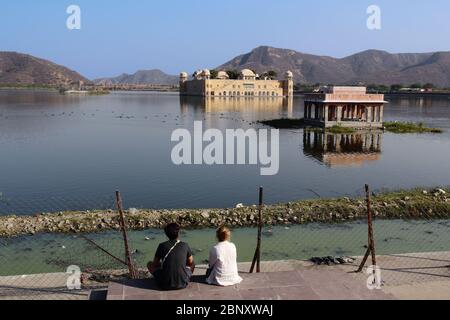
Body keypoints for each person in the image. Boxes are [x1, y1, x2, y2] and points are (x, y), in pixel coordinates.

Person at [148, 223, 195, 290]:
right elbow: (190, 262)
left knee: (149, 264)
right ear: (178, 233)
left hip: (164, 285)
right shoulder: (185, 245)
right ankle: (185, 278)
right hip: (182, 284)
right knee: (193, 263)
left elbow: (155, 263)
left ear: (166, 234)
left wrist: (162, 264)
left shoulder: (162, 245)